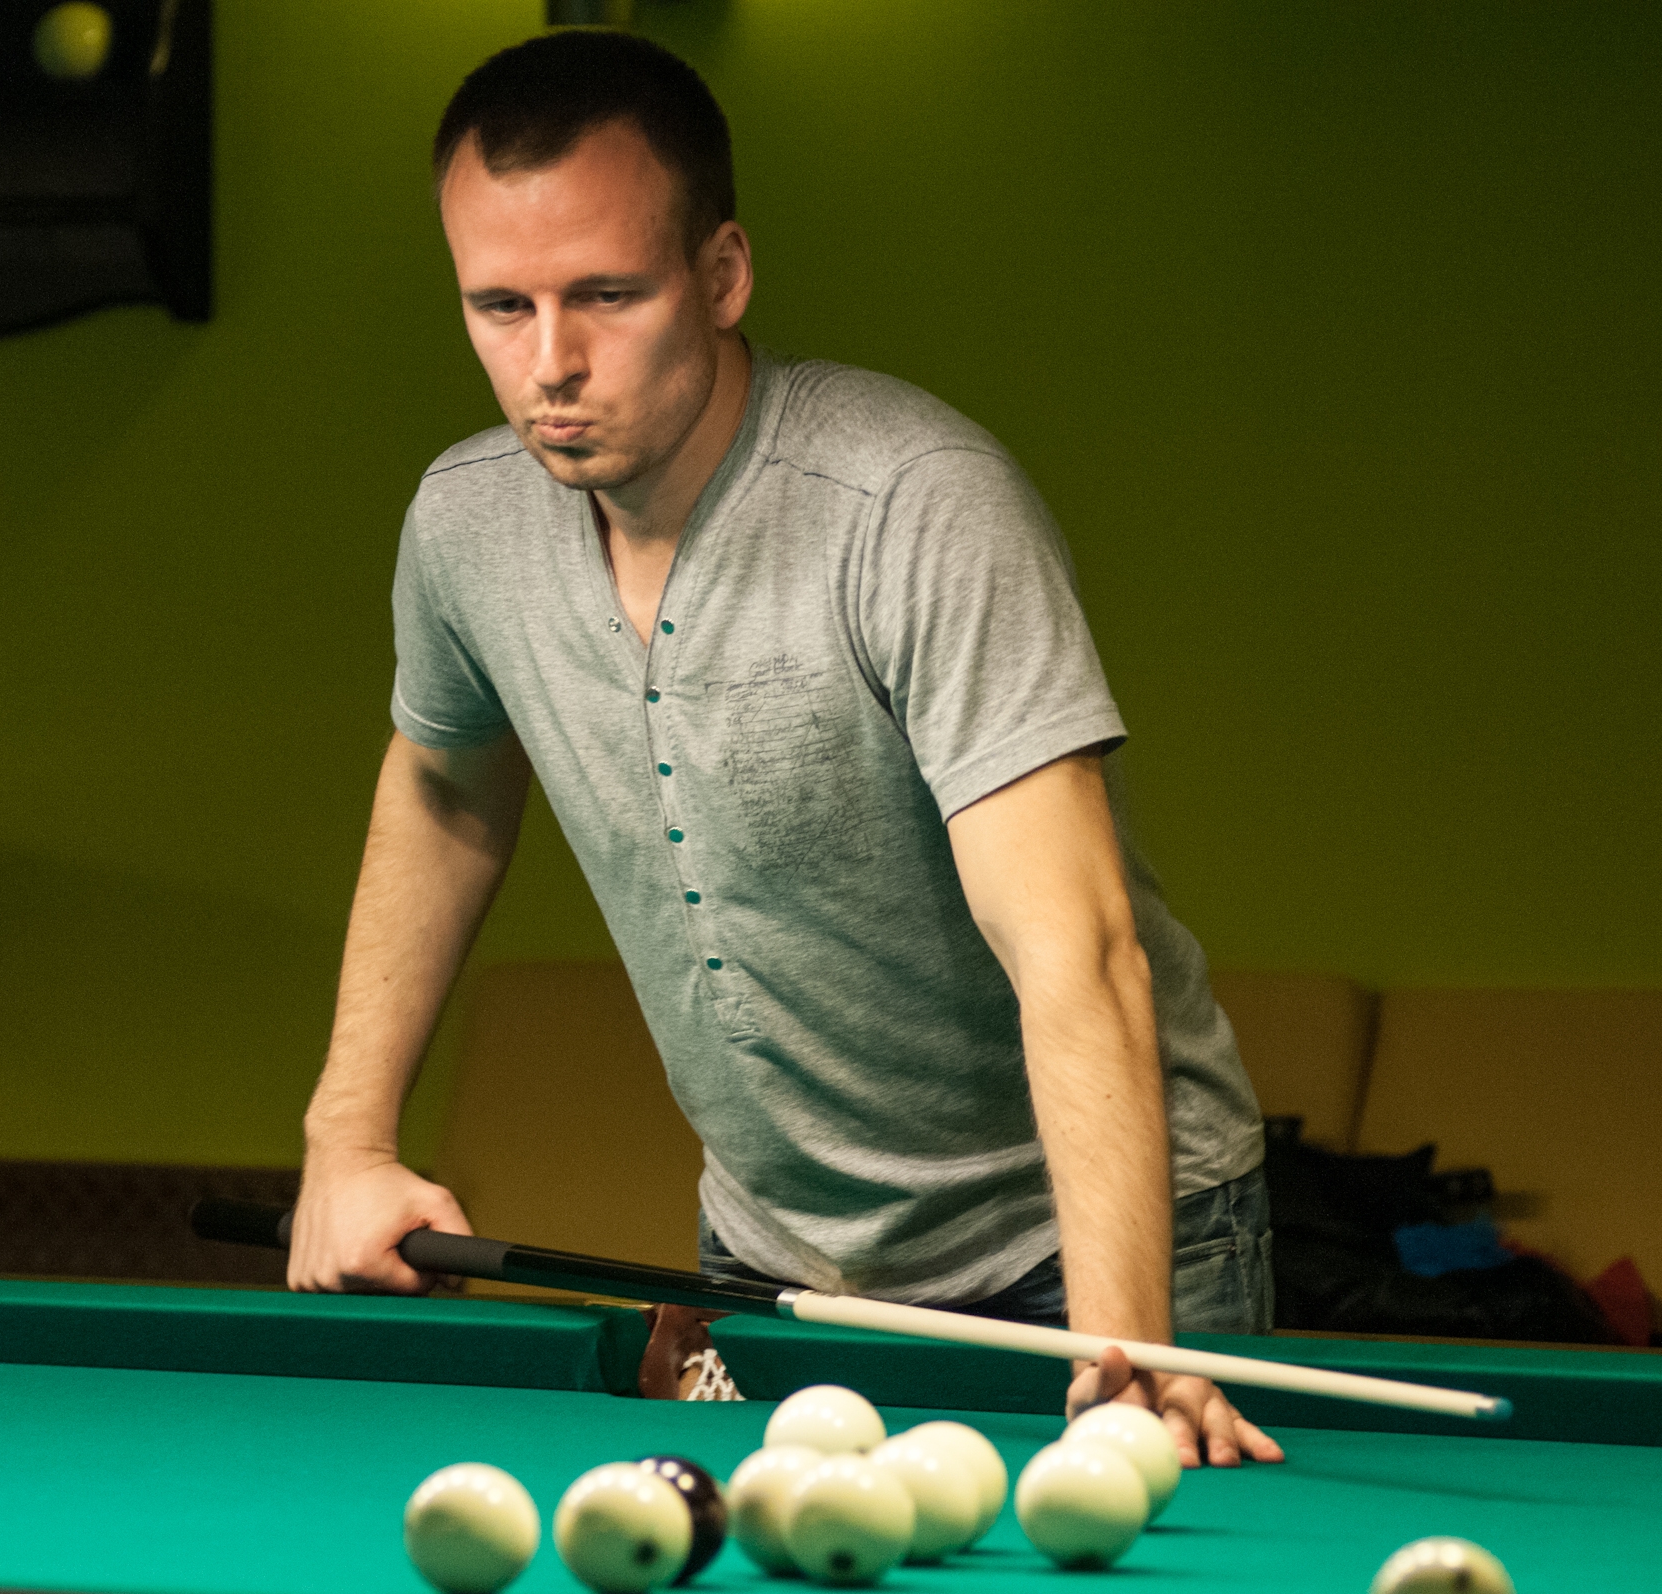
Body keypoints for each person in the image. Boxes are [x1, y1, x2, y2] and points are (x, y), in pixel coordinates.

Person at [288, 28, 1283, 1468]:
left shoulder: (914, 506)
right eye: (501, 305)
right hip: (778, 1257)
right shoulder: (467, 525)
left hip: (1094, 1248)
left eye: (606, 296)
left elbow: (1079, 948)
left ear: (722, 274)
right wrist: (347, 1138)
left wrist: (1124, 1352)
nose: (550, 363)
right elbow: (446, 787)